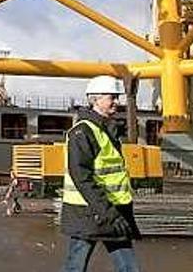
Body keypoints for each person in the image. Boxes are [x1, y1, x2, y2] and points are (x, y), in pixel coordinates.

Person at [59, 75, 141, 272]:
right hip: (91, 213)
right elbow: (82, 177)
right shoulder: (83, 132)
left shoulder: (104, 130)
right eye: (111, 97)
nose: (116, 102)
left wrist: (115, 212)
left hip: (109, 211)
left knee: (126, 266)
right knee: (76, 266)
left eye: (116, 97)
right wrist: (109, 213)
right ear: (95, 99)